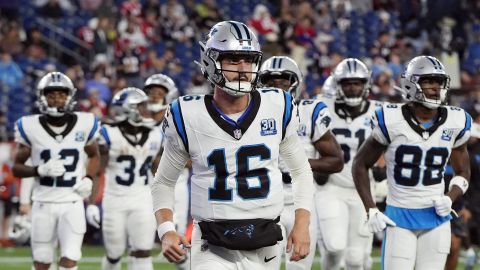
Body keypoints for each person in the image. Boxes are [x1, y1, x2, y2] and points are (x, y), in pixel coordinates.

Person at [151, 20, 315, 270]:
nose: (242, 68)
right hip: (211, 242)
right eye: (233, 60)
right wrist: (166, 230)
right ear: (210, 61)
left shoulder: (279, 105)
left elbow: (301, 171)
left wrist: (302, 224)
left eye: (248, 60)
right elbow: (164, 181)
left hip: (266, 240)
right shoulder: (186, 113)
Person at [352, 55, 472, 270]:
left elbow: (463, 171)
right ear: (410, 83)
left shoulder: (456, 121)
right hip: (399, 215)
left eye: (439, 82)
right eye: (428, 81)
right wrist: (371, 209)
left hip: (437, 217)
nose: (435, 87)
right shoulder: (391, 119)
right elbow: (360, 164)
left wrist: (450, 197)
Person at [258, 55, 344, 269]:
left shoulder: (309, 112)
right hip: (264, 204)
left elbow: (335, 161)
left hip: (301, 203)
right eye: (270, 82)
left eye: (283, 81)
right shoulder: (251, 113)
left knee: (300, 267)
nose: (277, 87)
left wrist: (300, 164)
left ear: (294, 82)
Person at [12, 71, 101, 270]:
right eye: (51, 95)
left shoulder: (85, 122)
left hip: (72, 202)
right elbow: (16, 168)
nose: (56, 99)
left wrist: (88, 177)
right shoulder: (29, 125)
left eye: (61, 95)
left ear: (70, 97)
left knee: (69, 260)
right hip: (43, 202)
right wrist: (39, 169)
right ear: (42, 97)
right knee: (41, 262)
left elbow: (94, 155)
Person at [86, 88, 162, 270]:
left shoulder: (155, 135)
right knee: (114, 254)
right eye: (141, 106)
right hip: (115, 201)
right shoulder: (108, 135)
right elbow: (98, 171)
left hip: (143, 199)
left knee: (143, 251)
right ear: (128, 109)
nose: (146, 110)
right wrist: (91, 203)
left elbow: (158, 173)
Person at [315, 58, 381, 270]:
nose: (352, 88)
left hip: (363, 189)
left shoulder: (380, 111)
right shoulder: (322, 106)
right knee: (334, 247)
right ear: (338, 85)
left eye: (357, 83)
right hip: (331, 188)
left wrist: (383, 163)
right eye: (347, 83)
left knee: (355, 258)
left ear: (366, 84)